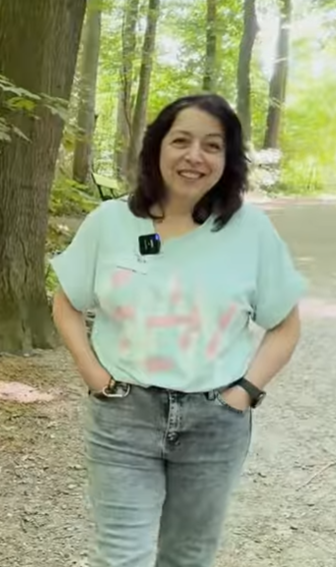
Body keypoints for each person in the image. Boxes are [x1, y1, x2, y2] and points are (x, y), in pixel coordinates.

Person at [49, 93, 306, 567]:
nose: (195, 156)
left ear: (227, 160)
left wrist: (244, 392)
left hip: (215, 421)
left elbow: (286, 325)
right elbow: (66, 304)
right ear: (156, 149)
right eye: (181, 140)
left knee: (187, 557)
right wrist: (95, 377)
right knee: (121, 558)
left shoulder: (250, 231)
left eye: (212, 145)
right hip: (124, 414)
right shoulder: (110, 223)